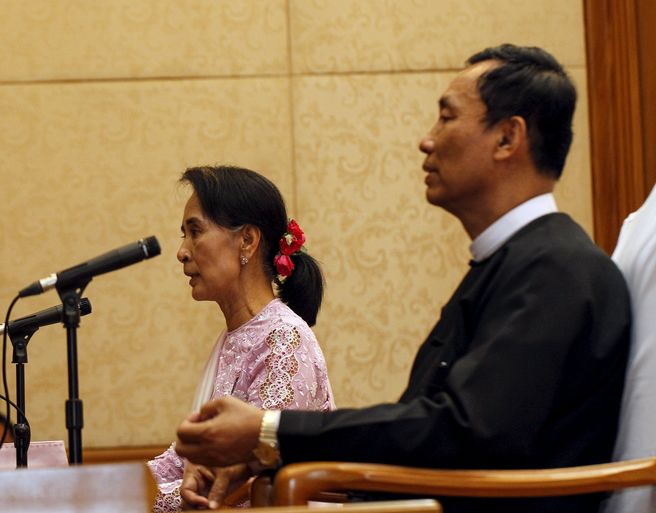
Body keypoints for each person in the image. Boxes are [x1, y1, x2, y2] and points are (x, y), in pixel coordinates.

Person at [174, 45, 632, 513]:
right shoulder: (512, 264)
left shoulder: (556, 270)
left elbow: (462, 434)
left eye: (447, 119)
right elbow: (438, 437)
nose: (426, 141)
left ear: (507, 138)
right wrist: (265, 455)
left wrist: (269, 433)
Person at [147, 166, 335, 512]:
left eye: (195, 231)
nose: (182, 252)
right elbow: (182, 462)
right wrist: (101, 486)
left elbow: (252, 484)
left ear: (247, 240)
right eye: (183, 235)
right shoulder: (233, 339)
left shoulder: (284, 340)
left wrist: (127, 498)